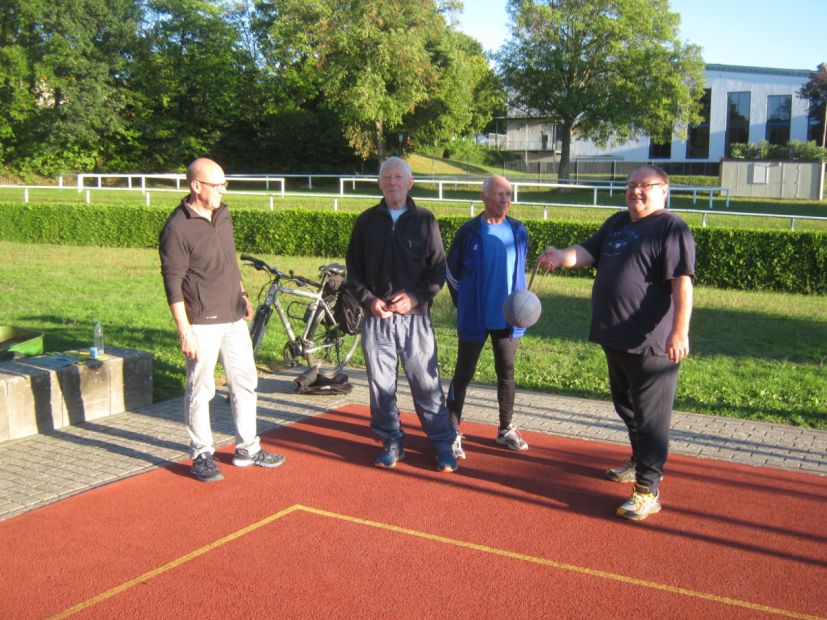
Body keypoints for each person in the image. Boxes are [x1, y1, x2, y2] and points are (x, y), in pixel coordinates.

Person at [539, 165, 695, 521]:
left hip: (651, 343)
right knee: (627, 408)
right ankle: (639, 461)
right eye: (630, 185)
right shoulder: (618, 223)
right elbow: (587, 252)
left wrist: (679, 331)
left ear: (663, 191)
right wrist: (560, 255)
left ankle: (647, 490)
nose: (635, 191)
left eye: (645, 186)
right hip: (615, 337)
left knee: (651, 419)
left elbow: (682, 283)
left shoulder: (671, 228)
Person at [159, 157, 285, 482]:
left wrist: (242, 295)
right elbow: (172, 282)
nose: (222, 190)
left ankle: (248, 448)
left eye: (224, 184)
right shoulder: (177, 228)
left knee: (245, 382)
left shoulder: (223, 214)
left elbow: (229, 260)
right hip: (201, 321)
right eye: (217, 185)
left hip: (233, 316)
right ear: (195, 186)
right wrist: (184, 330)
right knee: (201, 390)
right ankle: (202, 454)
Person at [345, 157, 458, 472]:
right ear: (380, 183)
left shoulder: (425, 220)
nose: (392, 182)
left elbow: (438, 270)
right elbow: (353, 272)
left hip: (415, 319)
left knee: (426, 383)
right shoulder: (366, 222)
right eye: (387, 177)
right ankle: (391, 441)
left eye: (399, 177)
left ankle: (442, 444)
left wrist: (415, 297)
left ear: (410, 183)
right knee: (381, 386)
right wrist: (369, 301)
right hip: (376, 320)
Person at [445, 175, 530, 460]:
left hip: (509, 319)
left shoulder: (519, 230)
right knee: (463, 374)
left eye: (508, 194)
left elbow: (519, 272)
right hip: (475, 317)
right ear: (483, 197)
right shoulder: (468, 232)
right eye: (498, 194)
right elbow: (452, 272)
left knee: (506, 373)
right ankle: (452, 432)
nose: (504, 200)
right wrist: (465, 304)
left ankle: (505, 430)